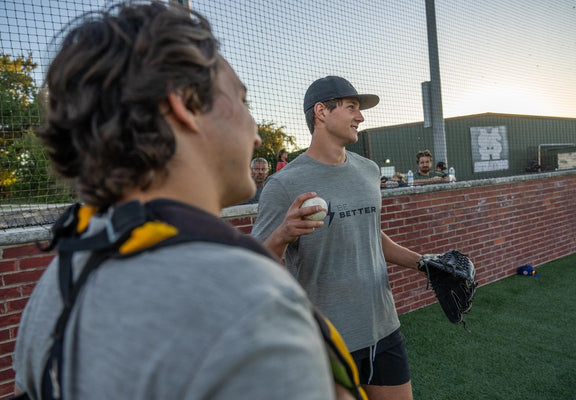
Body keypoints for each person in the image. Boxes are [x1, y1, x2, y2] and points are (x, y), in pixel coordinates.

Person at [12, 3, 348, 399]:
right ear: (186, 104)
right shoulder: (248, 303)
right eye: (242, 101)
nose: (255, 134)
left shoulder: (55, 284)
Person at [252, 75, 426, 400]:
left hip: (383, 327)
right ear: (321, 112)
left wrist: (425, 263)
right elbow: (255, 264)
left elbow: (370, 232)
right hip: (324, 341)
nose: (360, 117)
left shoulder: (370, 171)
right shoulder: (284, 184)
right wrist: (282, 234)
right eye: (351, 108)